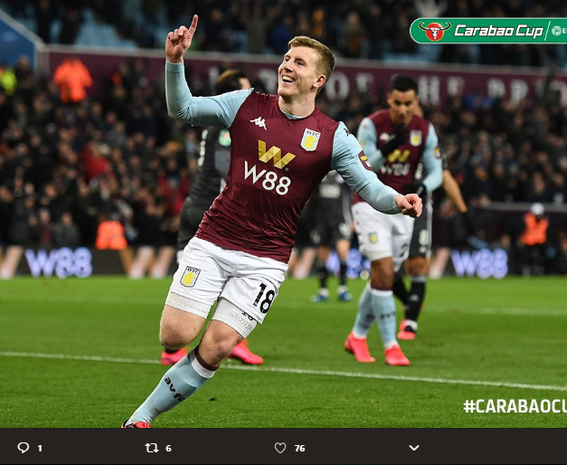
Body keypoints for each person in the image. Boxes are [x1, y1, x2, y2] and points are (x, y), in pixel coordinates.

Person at [122, 15, 422, 428]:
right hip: (213, 240)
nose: (287, 65)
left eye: (299, 62)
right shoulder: (245, 104)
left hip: (266, 260)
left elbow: (370, 187)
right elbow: (183, 109)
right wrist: (175, 62)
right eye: (286, 58)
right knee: (174, 336)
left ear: (319, 80)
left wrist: (398, 200)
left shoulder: (333, 136)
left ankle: (142, 417)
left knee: (217, 347)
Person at [162, 68, 264, 367]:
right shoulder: (223, 123)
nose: (251, 97)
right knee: (219, 277)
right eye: (245, 90)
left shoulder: (222, 121)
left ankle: (217, 343)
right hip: (208, 210)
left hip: (205, 208)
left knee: (209, 277)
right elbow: (223, 164)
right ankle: (228, 342)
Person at [346, 75, 442, 366]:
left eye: (408, 103)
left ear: (416, 102)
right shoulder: (371, 125)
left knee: (384, 276)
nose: (402, 109)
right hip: (371, 203)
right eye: (397, 103)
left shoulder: (425, 130)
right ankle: (391, 345)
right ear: (389, 99)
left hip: (404, 208)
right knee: (384, 271)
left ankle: (357, 336)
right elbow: (364, 166)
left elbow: (436, 171)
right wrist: (388, 148)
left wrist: (425, 187)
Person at [394, 122, 473, 339]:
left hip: (419, 207)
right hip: (389, 204)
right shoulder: (387, 135)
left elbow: (444, 176)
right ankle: (411, 301)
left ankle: (410, 321)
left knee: (418, 263)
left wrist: (463, 211)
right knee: (385, 269)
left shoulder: (428, 140)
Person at [309, 170, 354, 303]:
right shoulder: (320, 175)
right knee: (322, 255)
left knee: (342, 252)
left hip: (341, 220)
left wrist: (353, 218)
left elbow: (352, 197)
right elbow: (313, 201)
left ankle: (343, 289)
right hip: (322, 222)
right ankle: (323, 291)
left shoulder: (344, 174)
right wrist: (312, 224)